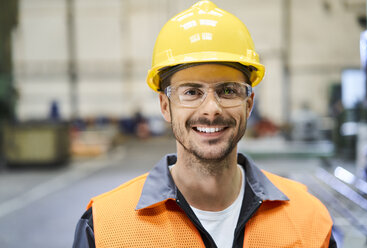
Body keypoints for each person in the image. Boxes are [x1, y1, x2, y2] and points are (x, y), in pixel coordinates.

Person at [73, 1, 337, 247]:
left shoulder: (309, 219)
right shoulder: (105, 228)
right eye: (191, 92)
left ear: (249, 103)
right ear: (165, 106)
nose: (211, 109)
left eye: (228, 91)